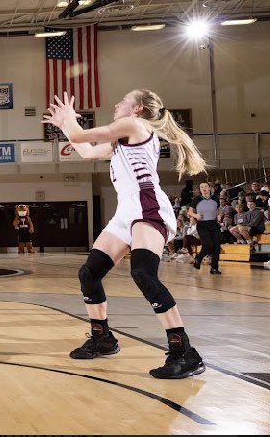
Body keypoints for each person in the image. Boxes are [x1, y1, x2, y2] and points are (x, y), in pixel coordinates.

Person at [43, 90, 207, 379]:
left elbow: (82, 136)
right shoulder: (122, 140)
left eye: (123, 100)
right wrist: (64, 127)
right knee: (89, 274)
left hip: (148, 207)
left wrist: (69, 121)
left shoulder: (134, 126)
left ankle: (184, 352)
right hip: (127, 212)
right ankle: (103, 338)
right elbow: (86, 151)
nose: (117, 104)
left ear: (138, 109)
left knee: (144, 274)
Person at [189, 182, 222, 274]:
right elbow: (190, 212)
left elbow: (219, 209)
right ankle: (198, 258)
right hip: (202, 225)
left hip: (214, 224)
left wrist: (219, 215)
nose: (204, 188)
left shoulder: (215, 198)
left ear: (209, 188)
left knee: (217, 247)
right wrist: (196, 215)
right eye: (201, 187)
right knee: (208, 245)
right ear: (200, 189)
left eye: (206, 187)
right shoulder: (197, 199)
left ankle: (214, 268)